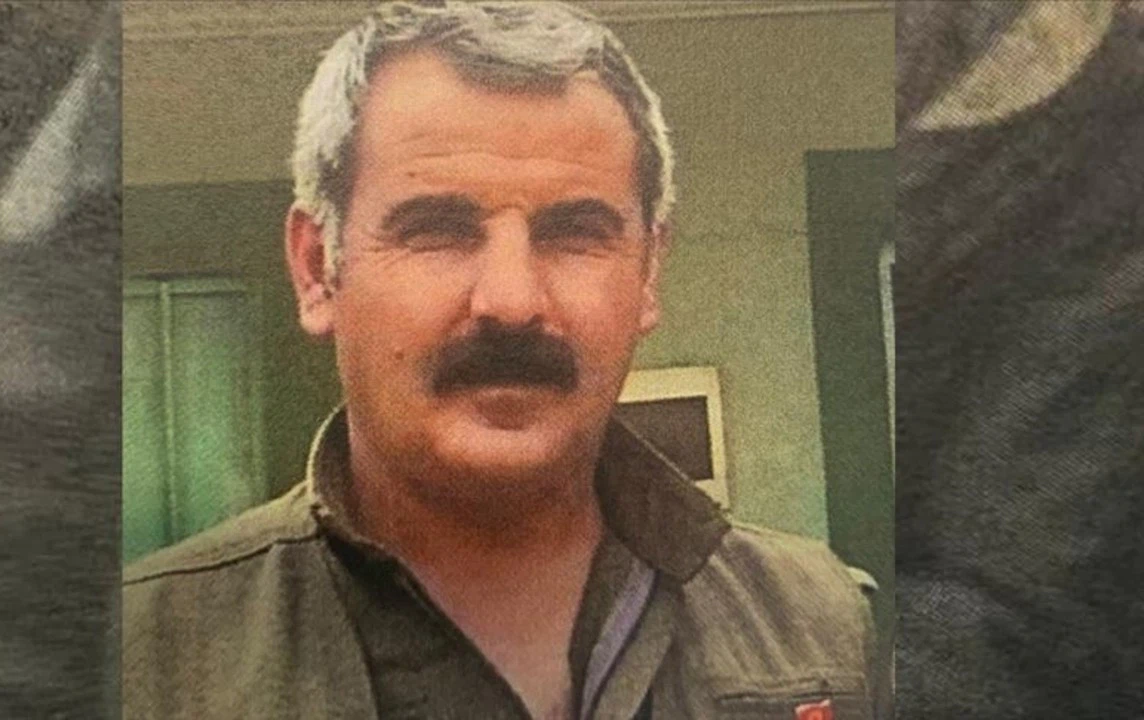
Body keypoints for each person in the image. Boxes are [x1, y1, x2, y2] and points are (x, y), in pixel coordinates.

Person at [123, 3, 882, 718]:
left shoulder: (817, 630)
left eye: (574, 233)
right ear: (318, 269)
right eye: (436, 229)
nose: (512, 300)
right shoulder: (143, 661)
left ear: (649, 273)